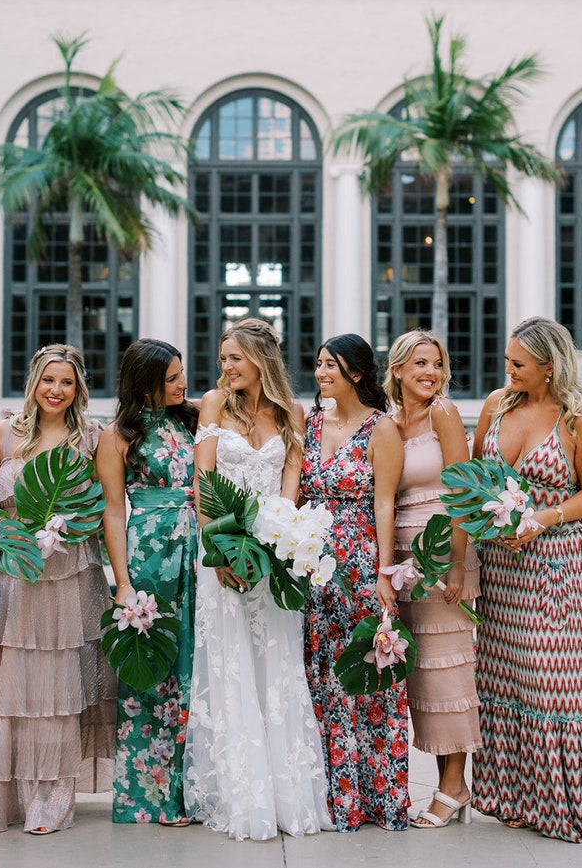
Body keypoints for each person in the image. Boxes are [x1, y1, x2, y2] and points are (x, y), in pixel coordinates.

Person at [471, 316, 582, 842]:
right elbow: (474, 481)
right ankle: (511, 797)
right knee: (503, 677)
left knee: (553, 682)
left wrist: (541, 519)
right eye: (508, 360)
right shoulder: (495, 406)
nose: (508, 370)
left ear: (549, 366)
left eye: (518, 363)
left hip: (554, 566)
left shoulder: (579, 421)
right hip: (499, 569)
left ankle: (563, 802)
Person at [183, 317, 332, 840]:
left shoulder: (293, 412)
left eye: (234, 358)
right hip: (223, 555)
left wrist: (275, 546)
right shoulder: (213, 404)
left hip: (271, 562)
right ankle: (240, 794)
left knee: (277, 665)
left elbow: (290, 487)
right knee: (230, 669)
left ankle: (286, 794)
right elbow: (202, 482)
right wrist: (220, 550)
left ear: (260, 360)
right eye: (223, 358)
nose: (225, 367)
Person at [0, 343, 116, 835]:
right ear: (34, 382)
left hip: (70, 577)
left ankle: (53, 800)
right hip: (16, 576)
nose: (56, 391)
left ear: (78, 389)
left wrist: (69, 527)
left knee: (61, 689)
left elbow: (103, 505)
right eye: (48, 380)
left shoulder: (91, 439)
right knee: (18, 686)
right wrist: (5, 535)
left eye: (67, 382)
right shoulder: (2, 433)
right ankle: (11, 797)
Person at [301, 333, 409, 832]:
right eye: (319, 364)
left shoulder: (381, 428)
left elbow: (384, 502)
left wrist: (386, 573)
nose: (321, 373)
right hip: (310, 565)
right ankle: (334, 797)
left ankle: (378, 798)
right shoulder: (310, 422)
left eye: (331, 366)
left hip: (360, 560)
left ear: (357, 374)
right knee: (320, 672)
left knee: (364, 673)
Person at [95, 339, 198, 824]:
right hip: (149, 554)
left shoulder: (193, 420)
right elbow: (114, 511)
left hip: (201, 553)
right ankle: (153, 797)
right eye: (173, 377)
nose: (183, 383)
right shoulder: (118, 434)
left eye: (182, 374)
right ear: (147, 382)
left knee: (199, 664)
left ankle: (197, 790)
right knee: (154, 668)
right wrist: (122, 582)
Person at [384, 330, 481, 829]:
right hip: (403, 563)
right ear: (397, 369)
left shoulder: (443, 411)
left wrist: (458, 565)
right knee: (422, 677)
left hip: (443, 556)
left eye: (437, 364)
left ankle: (453, 786)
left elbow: (462, 491)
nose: (431, 373)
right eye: (420, 363)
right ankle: (449, 782)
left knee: (448, 672)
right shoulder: (390, 423)